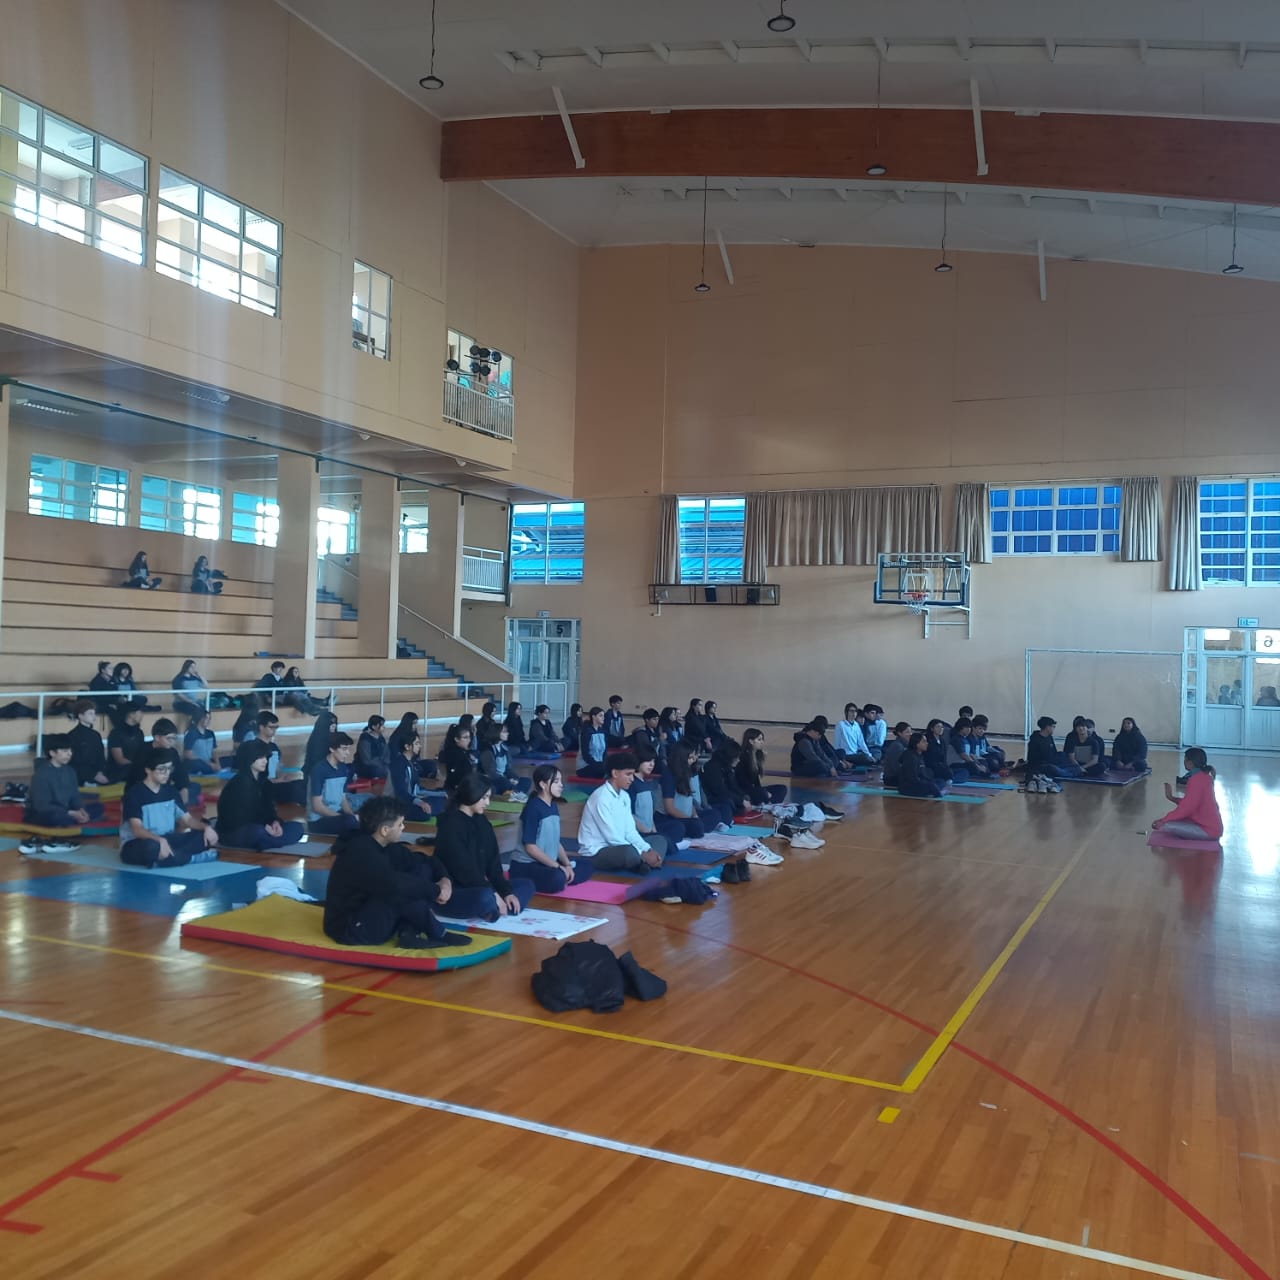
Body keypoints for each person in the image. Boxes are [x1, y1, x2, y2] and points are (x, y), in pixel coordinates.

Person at [323, 797, 469, 949]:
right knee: (401, 890)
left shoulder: (385, 845)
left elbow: (426, 861)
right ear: (385, 830)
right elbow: (395, 885)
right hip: (350, 928)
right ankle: (438, 933)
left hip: (370, 910)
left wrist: (444, 880)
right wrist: (436, 890)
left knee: (421, 870)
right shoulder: (361, 852)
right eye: (400, 824)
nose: (403, 827)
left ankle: (409, 934)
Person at [434, 773, 535, 918]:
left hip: (480, 885)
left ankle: (496, 907)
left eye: (488, 797)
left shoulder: (483, 822)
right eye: (484, 798)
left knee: (527, 885)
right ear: (471, 794)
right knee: (484, 897)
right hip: (456, 890)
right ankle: (492, 906)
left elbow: (493, 864)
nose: (487, 803)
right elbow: (463, 870)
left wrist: (506, 892)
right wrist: (493, 893)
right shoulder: (450, 824)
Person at [120, 748, 218, 867]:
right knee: (151, 848)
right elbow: (137, 830)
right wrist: (159, 840)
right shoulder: (134, 794)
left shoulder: (171, 791)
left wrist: (206, 827)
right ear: (148, 770)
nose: (167, 773)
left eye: (169, 769)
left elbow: (187, 820)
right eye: (162, 769)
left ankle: (167, 859)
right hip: (139, 842)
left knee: (203, 836)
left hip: (166, 839)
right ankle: (188, 858)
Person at [576, 749, 668, 872]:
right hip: (598, 851)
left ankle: (643, 862)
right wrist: (642, 852)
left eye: (633, 774)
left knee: (660, 840)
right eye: (628, 774)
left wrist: (648, 849)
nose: (632, 779)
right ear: (615, 773)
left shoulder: (624, 796)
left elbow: (630, 831)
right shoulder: (601, 798)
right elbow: (611, 837)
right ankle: (645, 861)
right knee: (629, 852)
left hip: (622, 845)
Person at [216, 741, 306, 851]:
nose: (265, 761)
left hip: (262, 828)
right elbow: (234, 820)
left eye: (266, 757)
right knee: (257, 832)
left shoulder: (265, 783)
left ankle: (269, 842)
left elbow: (270, 810)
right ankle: (270, 841)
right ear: (249, 758)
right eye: (260, 757)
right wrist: (265, 827)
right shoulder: (240, 783)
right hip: (235, 831)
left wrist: (275, 822)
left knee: (297, 827)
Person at [512, 765, 588, 894]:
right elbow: (530, 847)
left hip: (547, 862)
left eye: (561, 781)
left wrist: (567, 865)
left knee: (586, 864)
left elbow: (555, 842)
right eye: (556, 781)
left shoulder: (552, 806)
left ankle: (566, 876)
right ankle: (563, 877)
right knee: (557, 878)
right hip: (527, 865)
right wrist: (558, 866)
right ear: (543, 784)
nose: (561, 785)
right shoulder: (533, 808)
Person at [25, 734, 106, 830]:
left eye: (70, 750)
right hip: (45, 813)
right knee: (55, 817)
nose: (69, 754)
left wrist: (81, 810)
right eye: (65, 751)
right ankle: (73, 820)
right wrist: (70, 813)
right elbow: (42, 805)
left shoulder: (70, 771)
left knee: (99, 807)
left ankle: (76, 819)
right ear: (52, 753)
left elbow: (75, 796)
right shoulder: (41, 774)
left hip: (67, 810)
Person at [127, 718, 201, 809]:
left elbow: (180, 774)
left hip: (165, 786)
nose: (172, 742)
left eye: (174, 738)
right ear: (157, 737)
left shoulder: (172, 752)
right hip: (145, 789)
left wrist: (184, 789)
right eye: (169, 738)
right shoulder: (143, 751)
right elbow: (137, 779)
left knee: (195, 787)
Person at [1153, 748, 1223, 841]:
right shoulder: (1205, 777)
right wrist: (1171, 797)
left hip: (1208, 830)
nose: (1184, 762)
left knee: (1162, 825)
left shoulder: (1196, 780)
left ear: (1190, 762)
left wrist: (1163, 820)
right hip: (1211, 827)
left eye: (1185, 759)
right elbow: (1191, 802)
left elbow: (1187, 808)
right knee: (1174, 821)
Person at [629, 743, 685, 849]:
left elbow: (649, 814)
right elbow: (629, 813)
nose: (652, 765)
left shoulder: (646, 783)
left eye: (653, 761)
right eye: (648, 761)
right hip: (639, 832)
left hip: (649, 830)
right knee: (665, 842)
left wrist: (654, 831)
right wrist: (645, 830)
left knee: (677, 827)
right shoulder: (632, 784)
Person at [308, 732, 360, 835]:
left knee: (366, 819)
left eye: (348, 749)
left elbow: (343, 798)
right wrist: (344, 818)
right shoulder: (319, 770)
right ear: (332, 749)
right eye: (344, 749)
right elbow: (317, 806)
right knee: (350, 822)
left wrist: (352, 815)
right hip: (319, 820)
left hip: (337, 814)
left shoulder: (343, 768)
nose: (348, 753)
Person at [388, 732, 435, 820]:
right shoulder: (398, 764)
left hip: (409, 799)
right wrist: (419, 802)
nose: (420, 746)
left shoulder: (410, 763)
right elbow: (400, 792)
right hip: (396, 803)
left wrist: (439, 793)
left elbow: (416, 788)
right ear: (407, 747)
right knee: (425, 813)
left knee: (438, 801)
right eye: (417, 743)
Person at [735, 728, 788, 806]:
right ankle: (768, 803)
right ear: (751, 741)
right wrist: (761, 792)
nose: (762, 742)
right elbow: (744, 783)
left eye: (762, 739)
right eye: (759, 740)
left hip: (754, 789)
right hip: (744, 791)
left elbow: (756, 781)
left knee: (782, 788)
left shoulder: (757, 755)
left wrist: (762, 791)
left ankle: (769, 803)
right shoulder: (743, 758)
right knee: (762, 793)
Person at [477, 720, 529, 796]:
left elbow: (508, 768)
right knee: (506, 784)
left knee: (527, 781)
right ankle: (514, 792)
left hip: (504, 778)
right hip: (492, 780)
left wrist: (515, 778)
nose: (507, 733)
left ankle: (512, 792)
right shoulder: (487, 750)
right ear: (497, 733)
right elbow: (491, 773)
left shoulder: (504, 748)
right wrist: (507, 780)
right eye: (504, 732)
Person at [702, 739, 748, 818]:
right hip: (713, 799)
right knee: (729, 804)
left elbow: (733, 786)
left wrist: (743, 797)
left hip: (725, 797)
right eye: (736, 757)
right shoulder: (712, 767)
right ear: (730, 756)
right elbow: (719, 791)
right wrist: (740, 800)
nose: (738, 760)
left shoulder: (726, 766)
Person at [68, 699, 109, 786]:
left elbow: (101, 757)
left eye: (94, 713)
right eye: (90, 713)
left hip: (98, 773)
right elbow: (74, 761)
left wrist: (100, 772)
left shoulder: (96, 735)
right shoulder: (72, 736)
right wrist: (93, 775)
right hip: (81, 776)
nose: (94, 717)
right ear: (80, 716)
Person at [105, 703, 145, 783]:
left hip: (135, 770)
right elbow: (119, 760)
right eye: (140, 712)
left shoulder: (139, 732)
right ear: (131, 714)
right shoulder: (116, 734)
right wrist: (137, 766)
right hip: (119, 772)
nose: (142, 715)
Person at [1025, 716, 1072, 784]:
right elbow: (1034, 759)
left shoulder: (1049, 737)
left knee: (1063, 755)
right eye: (1053, 727)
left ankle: (1071, 769)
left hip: (1051, 761)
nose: (1054, 729)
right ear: (1047, 727)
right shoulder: (1035, 740)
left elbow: (1054, 752)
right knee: (1053, 768)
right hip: (1040, 766)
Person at [898, 732, 946, 798]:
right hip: (909, 786)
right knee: (932, 786)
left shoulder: (920, 755)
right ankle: (937, 792)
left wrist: (928, 780)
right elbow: (912, 778)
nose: (927, 743)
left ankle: (932, 792)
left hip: (920, 782)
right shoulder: (910, 756)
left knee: (941, 781)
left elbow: (923, 773)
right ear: (917, 744)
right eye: (924, 741)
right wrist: (926, 783)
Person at [437, 722, 478, 794]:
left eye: (469, 737)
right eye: (465, 737)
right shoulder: (455, 754)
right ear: (456, 739)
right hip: (457, 790)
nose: (469, 740)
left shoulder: (464, 753)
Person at [302, 710, 340, 781]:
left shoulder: (334, 738)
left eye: (334, 726)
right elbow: (316, 760)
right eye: (331, 726)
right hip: (315, 773)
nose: (333, 728)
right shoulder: (317, 739)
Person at [879, 721, 914, 788]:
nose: (910, 734)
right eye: (907, 732)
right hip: (892, 778)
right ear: (899, 733)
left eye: (910, 732)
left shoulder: (904, 745)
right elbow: (896, 767)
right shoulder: (897, 746)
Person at [183, 709, 218, 774]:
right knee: (198, 765)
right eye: (206, 718)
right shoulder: (191, 733)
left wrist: (218, 764)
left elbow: (214, 751)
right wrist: (209, 764)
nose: (208, 721)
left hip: (209, 761)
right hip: (197, 762)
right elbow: (187, 754)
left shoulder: (211, 733)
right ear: (200, 718)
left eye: (209, 718)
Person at [356, 715, 390, 781]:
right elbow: (366, 759)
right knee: (378, 771)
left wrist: (386, 763)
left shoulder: (381, 738)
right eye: (381, 725)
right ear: (374, 727)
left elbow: (386, 753)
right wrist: (380, 764)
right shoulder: (365, 739)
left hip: (380, 765)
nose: (384, 727)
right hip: (367, 768)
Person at [577, 706, 609, 778]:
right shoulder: (587, 732)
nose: (603, 718)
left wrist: (604, 763)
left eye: (603, 716)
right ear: (594, 717)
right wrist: (598, 764)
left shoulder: (602, 731)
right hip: (586, 766)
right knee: (603, 769)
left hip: (600, 764)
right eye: (600, 716)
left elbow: (605, 752)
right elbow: (585, 754)